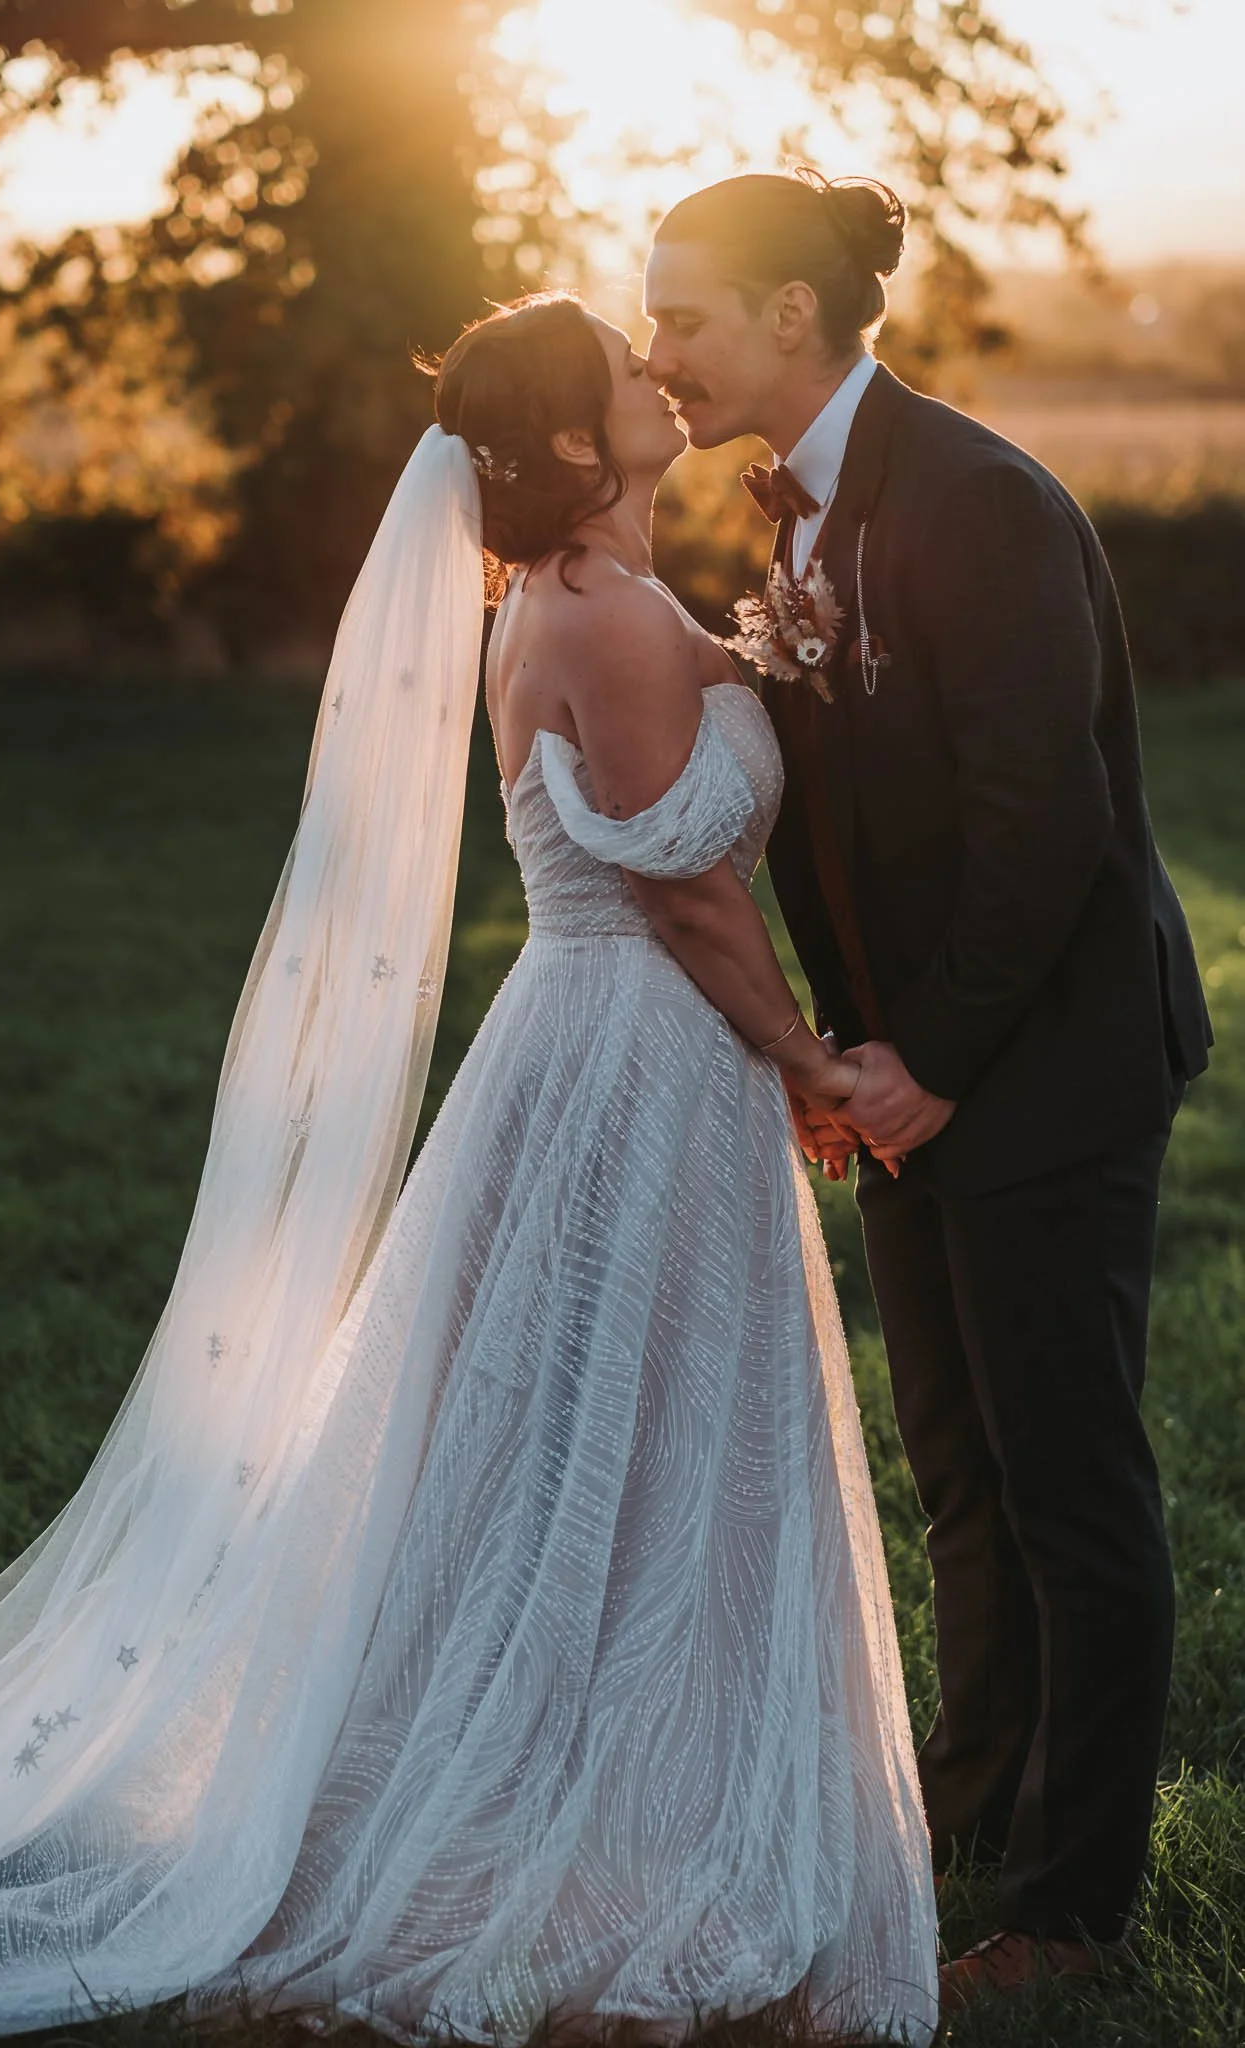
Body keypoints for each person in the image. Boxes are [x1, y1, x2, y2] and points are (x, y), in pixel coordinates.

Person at [0, 292, 938, 2046]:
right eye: (626, 368)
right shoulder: (602, 614)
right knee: (628, 1423)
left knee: (612, 1426)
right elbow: (686, 892)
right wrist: (813, 1061)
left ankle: (612, 1772)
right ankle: (570, 1811)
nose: (658, 373)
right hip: (642, 1049)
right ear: (579, 441)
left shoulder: (585, 597)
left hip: (613, 1042)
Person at [642, 167, 1212, 2013]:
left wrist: (930, 1064)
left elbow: (1049, 823)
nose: (661, 354)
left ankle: (1074, 1916)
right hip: (906, 1070)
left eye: (683, 318)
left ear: (789, 315)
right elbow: (856, 821)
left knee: (1070, 1490)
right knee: (963, 1476)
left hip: (1046, 1064)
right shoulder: (801, 508)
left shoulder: (975, 502)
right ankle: (965, 1822)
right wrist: (845, 1051)